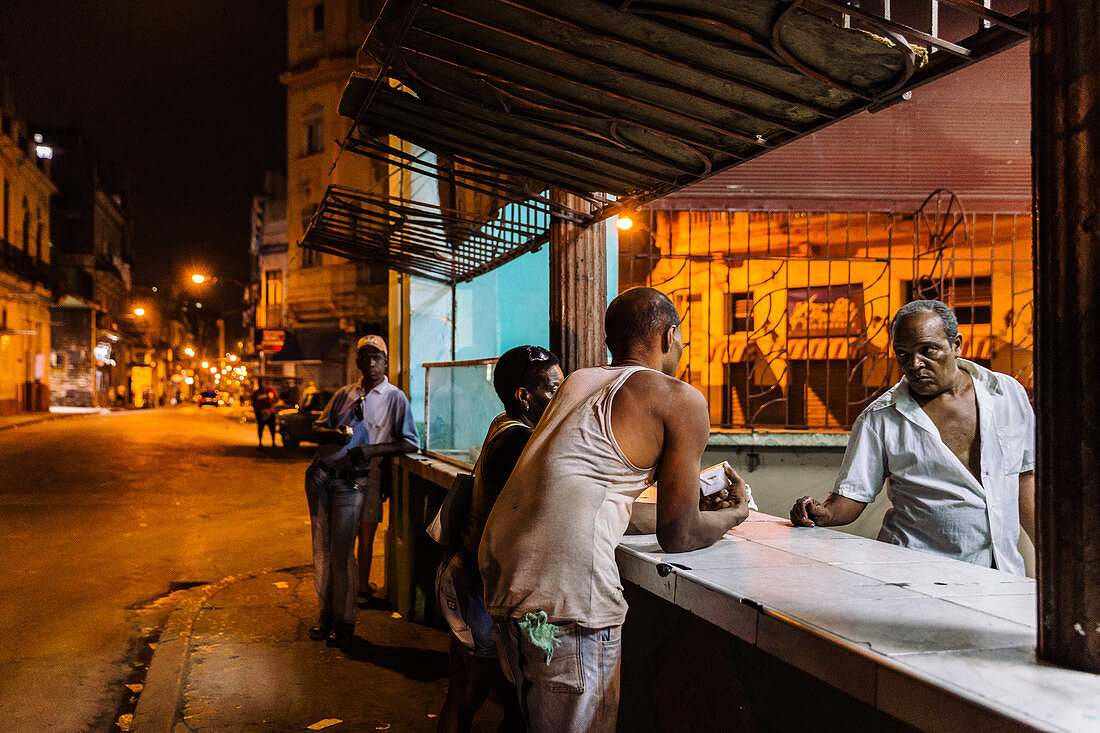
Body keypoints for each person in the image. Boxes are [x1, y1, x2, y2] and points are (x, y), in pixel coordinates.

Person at [479, 287, 751, 732]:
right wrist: (734, 515)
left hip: (506, 580)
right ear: (670, 336)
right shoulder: (679, 399)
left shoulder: (578, 382)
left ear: (610, 342)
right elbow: (678, 536)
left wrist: (690, 504)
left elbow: (595, 500)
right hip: (568, 600)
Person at [790, 299, 1036, 575]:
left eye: (928, 350)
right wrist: (823, 514)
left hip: (1003, 571)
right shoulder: (881, 418)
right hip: (917, 573)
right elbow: (852, 496)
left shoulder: (1006, 394)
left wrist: (1055, 555)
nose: (915, 364)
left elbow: (1024, 477)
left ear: (956, 345)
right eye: (903, 354)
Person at [437, 345, 563, 733]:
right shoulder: (516, 442)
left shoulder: (504, 423)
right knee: (497, 700)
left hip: (467, 576)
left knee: (468, 695)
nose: (560, 399)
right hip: (475, 587)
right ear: (523, 396)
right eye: (553, 390)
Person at [305, 334, 419, 649]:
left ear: (385, 361)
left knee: (343, 554)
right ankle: (325, 616)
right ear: (358, 361)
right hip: (321, 474)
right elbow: (316, 427)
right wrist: (333, 433)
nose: (370, 363)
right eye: (365, 357)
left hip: (353, 481)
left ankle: (346, 621)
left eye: (376, 357)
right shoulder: (345, 393)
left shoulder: (395, 398)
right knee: (322, 551)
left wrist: (371, 451)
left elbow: (411, 442)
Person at [252, 380, 279, 448]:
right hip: (261, 413)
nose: (261, 384)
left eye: (261, 382)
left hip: (270, 412)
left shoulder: (270, 390)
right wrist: (257, 412)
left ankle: (273, 443)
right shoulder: (257, 393)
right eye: (259, 383)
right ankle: (260, 443)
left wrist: (271, 403)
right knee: (261, 429)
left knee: (272, 428)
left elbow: (276, 399)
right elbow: (254, 403)